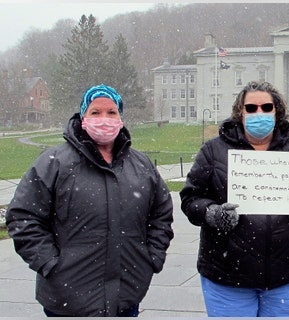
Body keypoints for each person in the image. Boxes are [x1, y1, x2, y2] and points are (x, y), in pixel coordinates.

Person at [6, 84, 174, 317]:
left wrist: (151, 258)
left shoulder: (141, 166)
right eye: (95, 112)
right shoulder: (54, 163)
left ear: (121, 117)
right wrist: (50, 264)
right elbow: (23, 216)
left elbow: (161, 214)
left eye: (111, 112)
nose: (104, 119)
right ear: (83, 116)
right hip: (67, 301)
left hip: (126, 296)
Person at [180, 80, 289, 317]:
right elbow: (190, 199)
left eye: (266, 107)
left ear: (276, 111)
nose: (259, 113)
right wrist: (212, 213)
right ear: (240, 112)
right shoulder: (213, 150)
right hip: (227, 277)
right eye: (251, 108)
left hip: (286, 277)